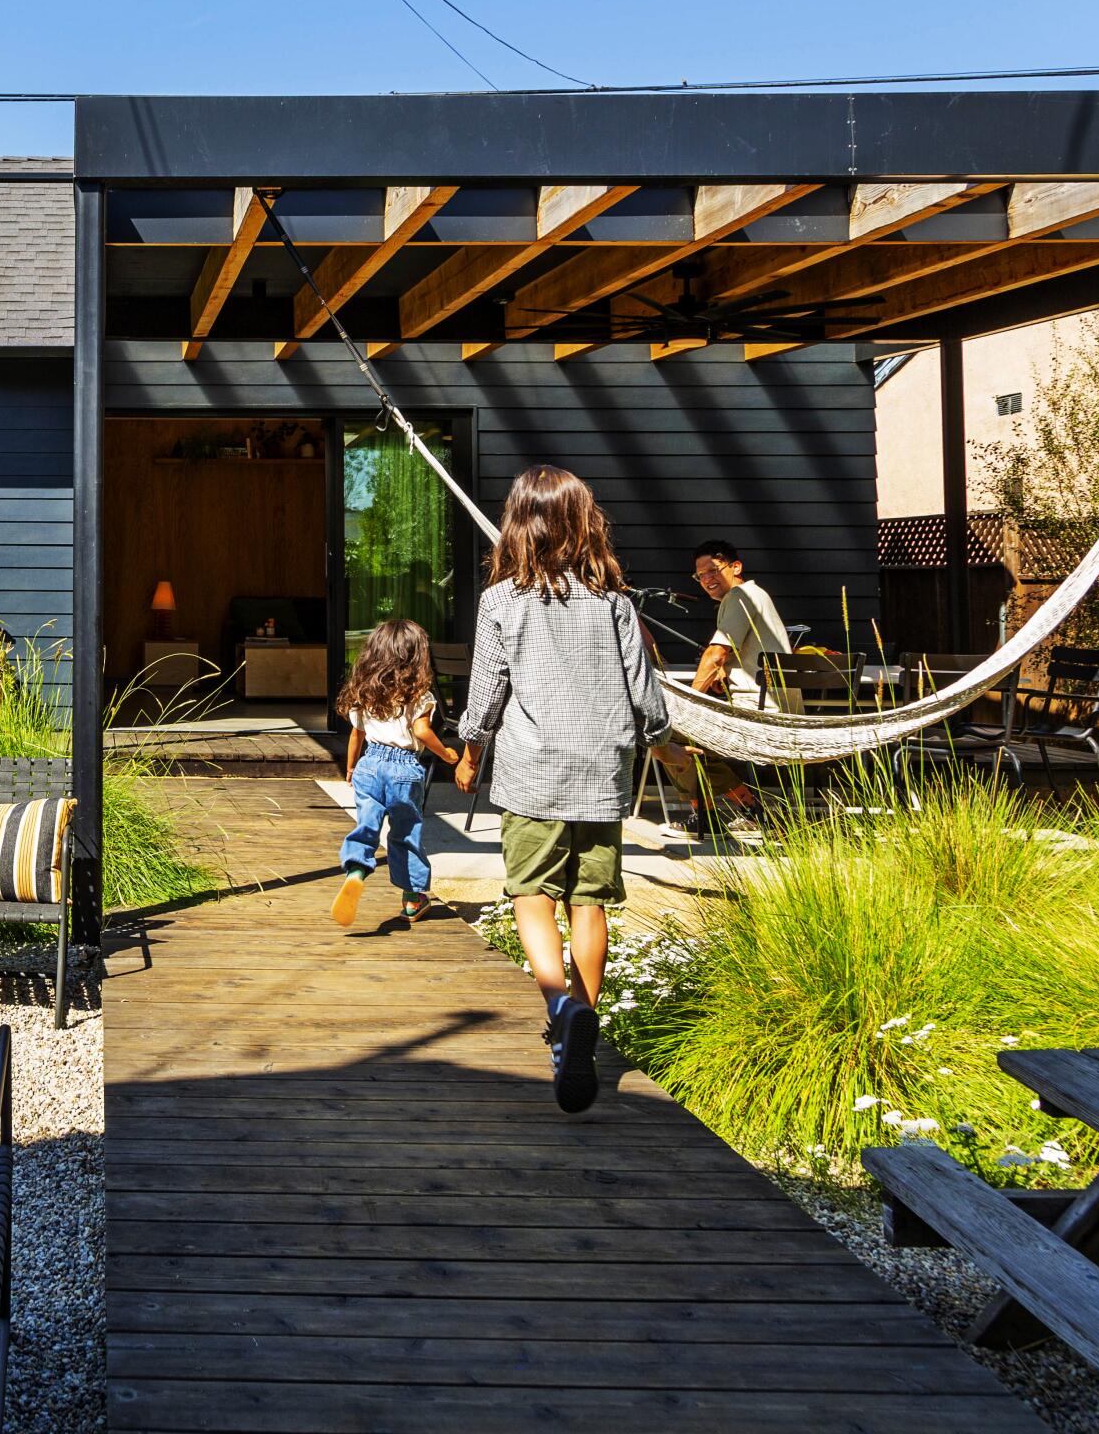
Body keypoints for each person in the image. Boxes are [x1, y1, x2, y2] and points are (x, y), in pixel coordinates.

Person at [453, 466, 671, 1113]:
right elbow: (651, 705)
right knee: (589, 901)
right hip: (603, 777)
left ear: (519, 525)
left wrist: (469, 754)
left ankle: (559, 1011)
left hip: (532, 776)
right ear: (585, 524)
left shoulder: (502, 601)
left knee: (531, 896)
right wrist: (655, 738)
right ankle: (585, 1015)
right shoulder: (615, 603)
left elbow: (486, 697)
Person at [650, 538, 801, 830]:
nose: (707, 579)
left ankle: (706, 816)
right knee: (686, 740)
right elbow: (735, 656)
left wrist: (687, 705)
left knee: (668, 734)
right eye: (700, 575)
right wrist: (727, 673)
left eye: (714, 570)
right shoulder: (758, 595)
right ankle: (751, 809)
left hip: (758, 714)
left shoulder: (740, 597)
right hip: (781, 710)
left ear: (736, 567)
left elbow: (715, 655)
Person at [330, 618, 460, 929]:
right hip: (404, 767)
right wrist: (446, 754)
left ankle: (357, 870)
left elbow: (356, 736)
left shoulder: (365, 691)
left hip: (369, 765)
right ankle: (413, 899)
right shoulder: (420, 694)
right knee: (405, 832)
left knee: (367, 824)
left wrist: (351, 767)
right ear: (417, 656)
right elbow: (422, 731)